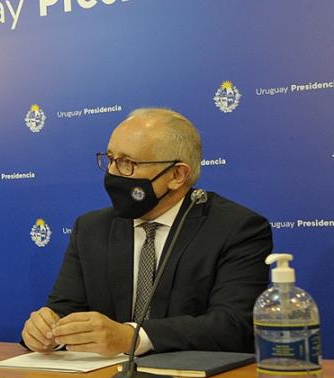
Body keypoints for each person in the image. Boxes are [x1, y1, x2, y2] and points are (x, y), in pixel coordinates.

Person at [22, 108, 271, 356]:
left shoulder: (236, 228)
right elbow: (64, 310)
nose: (113, 173)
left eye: (128, 163)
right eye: (110, 159)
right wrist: (46, 330)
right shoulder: (91, 229)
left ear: (177, 175)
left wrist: (133, 337)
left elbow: (233, 325)